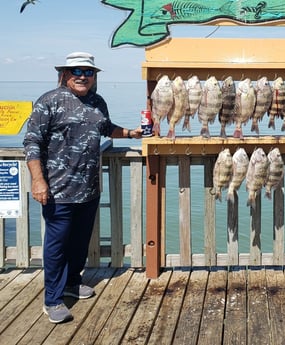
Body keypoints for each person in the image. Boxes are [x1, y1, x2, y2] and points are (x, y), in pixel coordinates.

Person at [23, 52, 143, 324]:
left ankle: (71, 284)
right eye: (76, 71)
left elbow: (105, 128)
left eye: (88, 72)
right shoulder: (49, 101)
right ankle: (52, 300)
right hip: (57, 190)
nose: (82, 76)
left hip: (89, 189)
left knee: (79, 243)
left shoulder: (97, 101)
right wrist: (38, 180)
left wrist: (130, 133)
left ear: (94, 76)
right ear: (65, 74)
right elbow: (31, 142)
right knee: (56, 246)